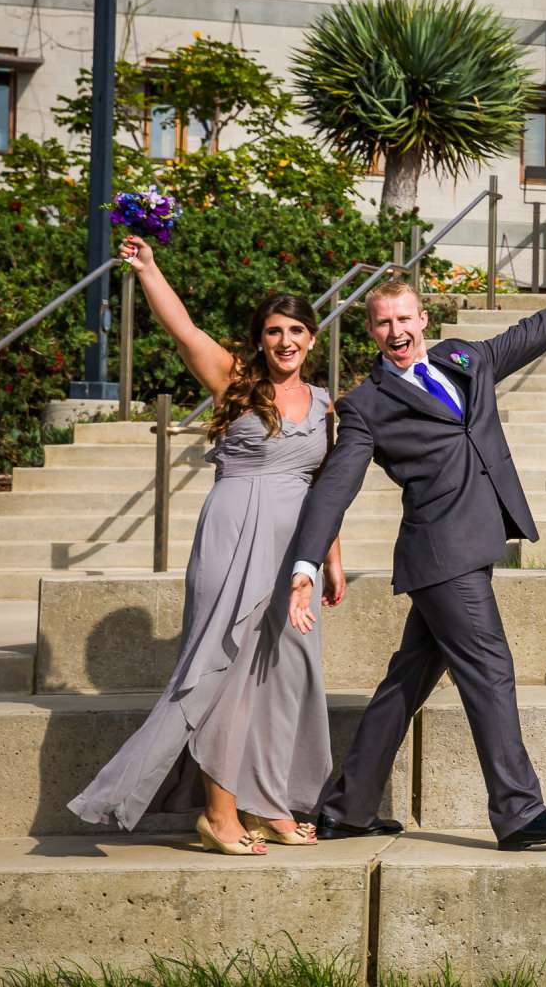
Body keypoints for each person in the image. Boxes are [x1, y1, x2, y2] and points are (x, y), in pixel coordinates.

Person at [282, 237, 546, 851]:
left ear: (423, 319)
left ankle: (346, 808)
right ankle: (517, 812)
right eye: (383, 324)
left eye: (405, 318)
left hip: (472, 545)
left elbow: (534, 332)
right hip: (441, 555)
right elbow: (334, 487)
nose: (396, 331)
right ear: (372, 333)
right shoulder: (366, 406)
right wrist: (306, 559)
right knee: (490, 670)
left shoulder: (464, 358)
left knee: (405, 682)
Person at [70, 237, 343, 856]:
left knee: (290, 670)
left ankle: (270, 801)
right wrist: (147, 268)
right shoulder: (234, 378)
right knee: (227, 670)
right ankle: (220, 815)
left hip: (295, 550)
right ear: (260, 338)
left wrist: (330, 557)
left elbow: (326, 487)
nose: (286, 341)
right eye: (274, 331)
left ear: (312, 337)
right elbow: (184, 328)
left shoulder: (327, 404)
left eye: (297, 329)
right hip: (233, 533)